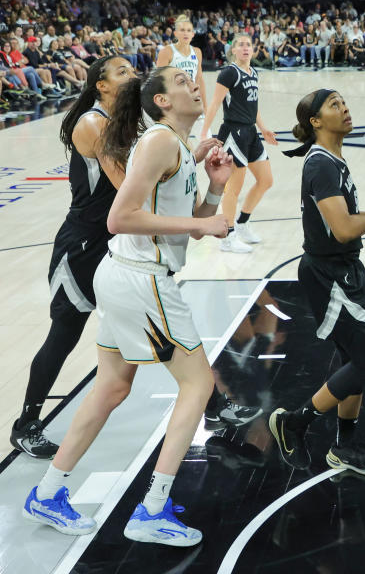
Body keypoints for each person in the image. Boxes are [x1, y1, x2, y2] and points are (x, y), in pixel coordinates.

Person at [23, 66, 233, 545]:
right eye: (181, 83)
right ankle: (152, 510)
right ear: (160, 101)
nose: (193, 84)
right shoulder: (160, 140)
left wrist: (215, 186)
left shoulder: (175, 145)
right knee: (198, 386)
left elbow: (185, 214)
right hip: (142, 280)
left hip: (122, 276)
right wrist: (203, 227)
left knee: (112, 387)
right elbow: (121, 218)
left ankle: (49, 492)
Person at [268, 89, 365, 473]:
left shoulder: (332, 161)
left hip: (344, 271)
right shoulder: (320, 164)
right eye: (334, 104)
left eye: (344, 102)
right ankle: (294, 422)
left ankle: (345, 447)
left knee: (355, 358)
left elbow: (345, 222)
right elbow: (342, 228)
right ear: (315, 122)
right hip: (328, 275)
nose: (345, 108)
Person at [11, 57, 137, 458]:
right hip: (82, 248)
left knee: (152, 317)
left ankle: (212, 403)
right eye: (122, 71)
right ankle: (25, 424)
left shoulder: (127, 123)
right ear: (100, 85)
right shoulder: (93, 123)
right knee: (64, 336)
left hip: (114, 242)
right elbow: (126, 186)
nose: (132, 75)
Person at [199, 32, 277, 253]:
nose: (245, 48)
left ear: (253, 49)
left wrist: (263, 128)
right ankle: (228, 236)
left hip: (251, 132)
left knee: (266, 180)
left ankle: (242, 223)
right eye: (240, 45)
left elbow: (254, 104)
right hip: (233, 132)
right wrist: (205, 132)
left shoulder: (254, 72)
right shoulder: (228, 73)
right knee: (233, 188)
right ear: (233, 50)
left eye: (248, 45)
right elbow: (215, 103)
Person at [156, 14, 208, 116]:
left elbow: (199, 80)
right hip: (174, 103)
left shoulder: (197, 52)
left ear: (193, 34)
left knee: (204, 132)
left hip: (193, 100)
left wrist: (205, 106)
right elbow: (158, 82)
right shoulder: (167, 52)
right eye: (182, 30)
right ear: (175, 33)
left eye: (189, 30)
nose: (186, 33)